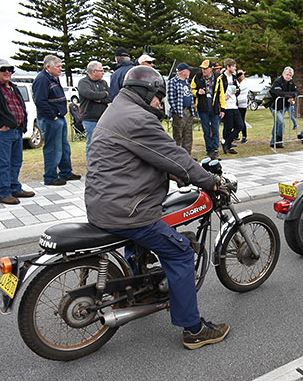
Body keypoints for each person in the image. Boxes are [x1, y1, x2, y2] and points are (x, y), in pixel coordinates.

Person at [85, 65, 229, 349]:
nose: (160, 103)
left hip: (104, 203)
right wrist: (210, 181)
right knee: (180, 253)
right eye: (158, 97)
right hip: (127, 210)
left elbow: (147, 157)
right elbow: (174, 156)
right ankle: (194, 329)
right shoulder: (138, 119)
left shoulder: (116, 110)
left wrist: (175, 173)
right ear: (145, 92)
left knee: (143, 240)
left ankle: (140, 290)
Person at [0, 59, 35, 204]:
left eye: (10, 69)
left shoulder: (13, 87)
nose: (7, 72)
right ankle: (4, 192)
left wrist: (22, 125)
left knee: (16, 161)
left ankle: (15, 187)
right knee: (3, 163)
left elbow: (19, 106)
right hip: (2, 132)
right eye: (3, 69)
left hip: (17, 130)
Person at [32, 55, 80, 186]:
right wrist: (52, 115)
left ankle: (66, 172)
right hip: (50, 119)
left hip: (59, 117)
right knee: (53, 148)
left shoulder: (54, 78)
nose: (61, 69)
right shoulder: (42, 79)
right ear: (48, 67)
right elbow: (39, 101)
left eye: (61, 66)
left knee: (64, 147)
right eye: (58, 66)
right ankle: (50, 176)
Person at [191, 60, 225, 159]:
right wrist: (197, 92)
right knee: (206, 131)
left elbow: (221, 93)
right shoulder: (197, 77)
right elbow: (191, 89)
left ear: (211, 69)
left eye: (205, 68)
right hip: (202, 108)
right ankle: (209, 150)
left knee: (215, 130)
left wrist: (223, 109)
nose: (203, 70)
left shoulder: (218, 77)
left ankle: (215, 150)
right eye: (202, 68)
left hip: (214, 108)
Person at [77, 60, 110, 160]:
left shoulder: (103, 83)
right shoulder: (83, 83)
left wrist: (100, 98)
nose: (103, 73)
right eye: (101, 70)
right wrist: (104, 94)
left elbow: (109, 97)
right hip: (89, 119)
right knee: (91, 144)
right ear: (93, 71)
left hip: (103, 119)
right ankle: (91, 168)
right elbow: (89, 94)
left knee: (104, 145)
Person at [167, 62, 194, 154]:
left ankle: (187, 155)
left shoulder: (187, 82)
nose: (189, 72)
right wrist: (177, 111)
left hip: (189, 111)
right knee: (178, 135)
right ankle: (178, 156)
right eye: (188, 70)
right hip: (180, 111)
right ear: (183, 71)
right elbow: (171, 98)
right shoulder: (173, 82)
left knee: (188, 135)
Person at [268, 66, 298, 148]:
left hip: (284, 106)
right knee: (281, 122)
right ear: (283, 74)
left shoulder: (291, 82)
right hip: (274, 106)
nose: (288, 77)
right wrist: (290, 95)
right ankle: (278, 140)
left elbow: (296, 91)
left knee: (277, 123)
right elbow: (279, 93)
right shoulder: (277, 81)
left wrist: (292, 96)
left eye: (290, 75)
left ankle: (274, 141)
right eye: (287, 74)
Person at [218, 58, 242, 154]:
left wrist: (236, 91)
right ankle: (227, 145)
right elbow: (218, 91)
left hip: (234, 105)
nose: (235, 68)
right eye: (233, 66)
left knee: (240, 125)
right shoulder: (221, 78)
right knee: (228, 126)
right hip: (226, 106)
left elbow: (238, 89)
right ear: (228, 67)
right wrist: (223, 97)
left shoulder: (234, 78)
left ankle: (227, 142)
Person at [235, 69, 249, 143]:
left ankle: (244, 136)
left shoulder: (245, 83)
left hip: (242, 103)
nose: (241, 75)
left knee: (242, 120)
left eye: (242, 74)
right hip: (236, 103)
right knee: (235, 120)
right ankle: (236, 135)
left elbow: (238, 90)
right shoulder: (236, 81)